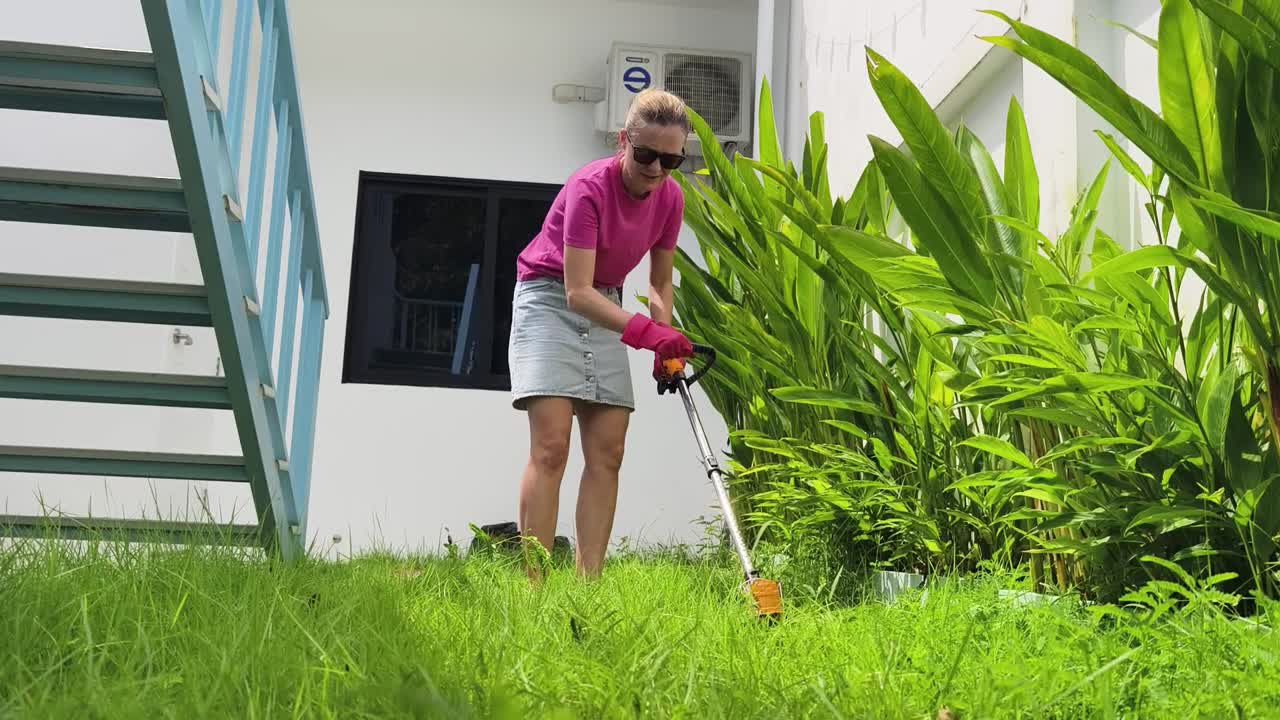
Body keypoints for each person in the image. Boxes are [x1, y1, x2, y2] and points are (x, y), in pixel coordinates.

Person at [507, 88, 694, 579]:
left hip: (607, 303)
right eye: (646, 154)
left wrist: (665, 340)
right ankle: (535, 587)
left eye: (670, 159)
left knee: (609, 450)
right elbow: (575, 291)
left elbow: (657, 283)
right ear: (623, 141)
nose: (656, 169)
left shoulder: (670, 198)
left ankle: (588, 584)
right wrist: (646, 334)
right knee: (552, 447)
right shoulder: (589, 187)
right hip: (549, 299)